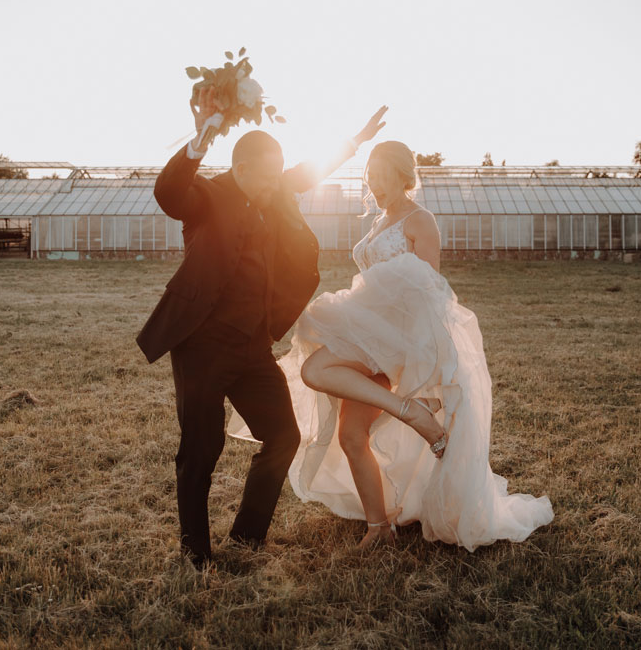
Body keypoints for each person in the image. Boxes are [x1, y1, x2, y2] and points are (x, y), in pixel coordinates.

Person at [229, 140, 554, 550]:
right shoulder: (379, 221)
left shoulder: (421, 221)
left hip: (393, 343)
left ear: (403, 176)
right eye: (371, 177)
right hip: (368, 336)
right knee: (350, 437)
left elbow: (430, 294)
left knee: (314, 370)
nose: (375, 184)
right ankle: (379, 527)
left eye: (382, 177)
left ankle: (412, 412)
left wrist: (416, 357)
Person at [136, 86, 388, 569]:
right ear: (242, 170)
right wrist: (201, 135)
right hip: (203, 347)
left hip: (253, 348)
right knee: (201, 451)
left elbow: (310, 171)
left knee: (284, 437)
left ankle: (248, 537)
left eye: (279, 174)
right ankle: (195, 556)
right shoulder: (207, 195)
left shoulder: (272, 189)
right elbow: (168, 193)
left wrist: (355, 141)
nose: (278, 183)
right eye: (268, 175)